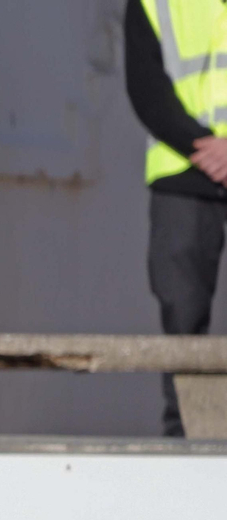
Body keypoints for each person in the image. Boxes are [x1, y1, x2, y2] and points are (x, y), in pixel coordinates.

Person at [125, 0, 227, 436]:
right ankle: (185, 437)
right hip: (185, 172)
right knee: (183, 316)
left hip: (196, 163)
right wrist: (205, 146)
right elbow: (146, 87)